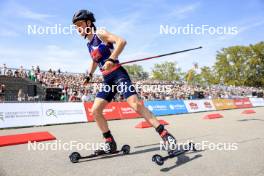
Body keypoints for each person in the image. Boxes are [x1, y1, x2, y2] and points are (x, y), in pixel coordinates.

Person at [72, 10, 177, 153]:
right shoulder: (89, 44)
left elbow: (122, 41)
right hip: (107, 80)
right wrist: (89, 75)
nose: (78, 28)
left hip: (118, 74)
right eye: (75, 26)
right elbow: (95, 60)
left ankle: (166, 135)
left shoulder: (100, 33)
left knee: (135, 105)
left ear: (88, 23)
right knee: (95, 111)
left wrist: (111, 58)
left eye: (79, 24)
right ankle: (109, 142)